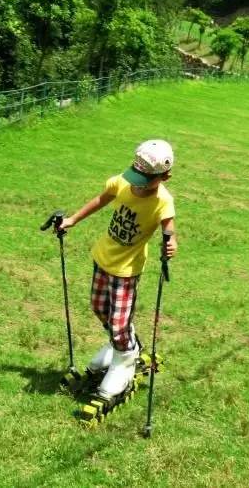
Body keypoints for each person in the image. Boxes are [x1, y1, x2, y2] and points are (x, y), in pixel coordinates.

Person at [58, 140, 178, 401]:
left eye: (144, 179)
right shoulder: (124, 182)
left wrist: (170, 242)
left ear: (164, 176)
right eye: (135, 175)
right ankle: (123, 342)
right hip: (102, 258)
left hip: (126, 270)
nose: (136, 183)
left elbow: (168, 228)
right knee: (99, 308)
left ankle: (125, 357)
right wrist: (72, 220)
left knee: (118, 321)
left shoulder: (163, 201)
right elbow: (102, 198)